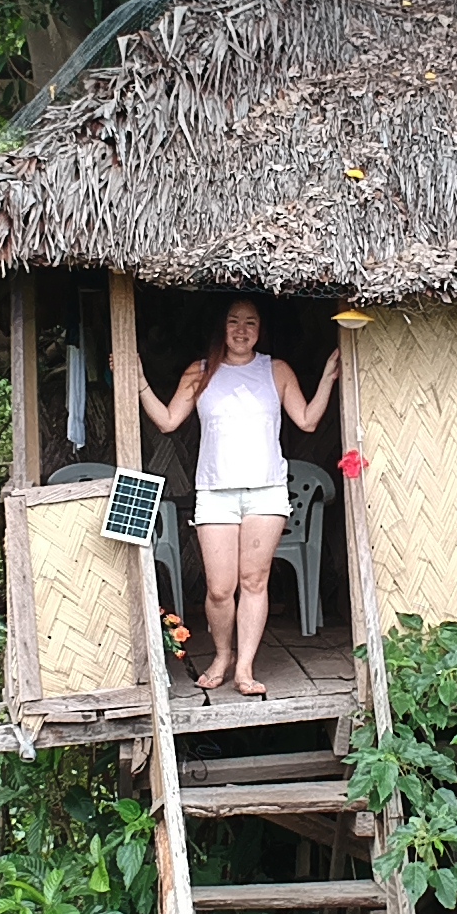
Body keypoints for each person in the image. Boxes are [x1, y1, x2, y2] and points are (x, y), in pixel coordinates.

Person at [139, 297, 339, 695]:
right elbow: (167, 421)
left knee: (253, 581)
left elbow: (307, 420)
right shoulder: (200, 372)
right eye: (234, 322)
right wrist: (139, 382)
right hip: (215, 491)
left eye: (250, 323)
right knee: (219, 588)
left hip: (266, 490)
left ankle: (244, 668)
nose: (242, 330)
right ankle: (222, 654)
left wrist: (330, 377)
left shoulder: (275, 370)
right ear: (222, 328)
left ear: (260, 329)